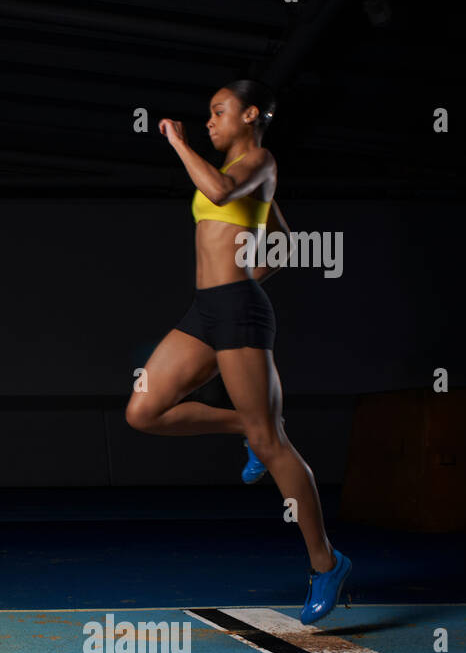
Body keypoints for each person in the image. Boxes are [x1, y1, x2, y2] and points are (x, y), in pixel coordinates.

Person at [124, 79, 352, 625]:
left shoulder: (260, 161)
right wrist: (246, 271)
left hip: (240, 313)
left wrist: (177, 143)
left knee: (272, 441)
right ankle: (243, 426)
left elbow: (222, 192)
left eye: (218, 112)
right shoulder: (248, 179)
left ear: (250, 115)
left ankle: (326, 563)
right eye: (207, 115)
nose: (209, 121)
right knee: (144, 410)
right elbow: (283, 241)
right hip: (205, 310)